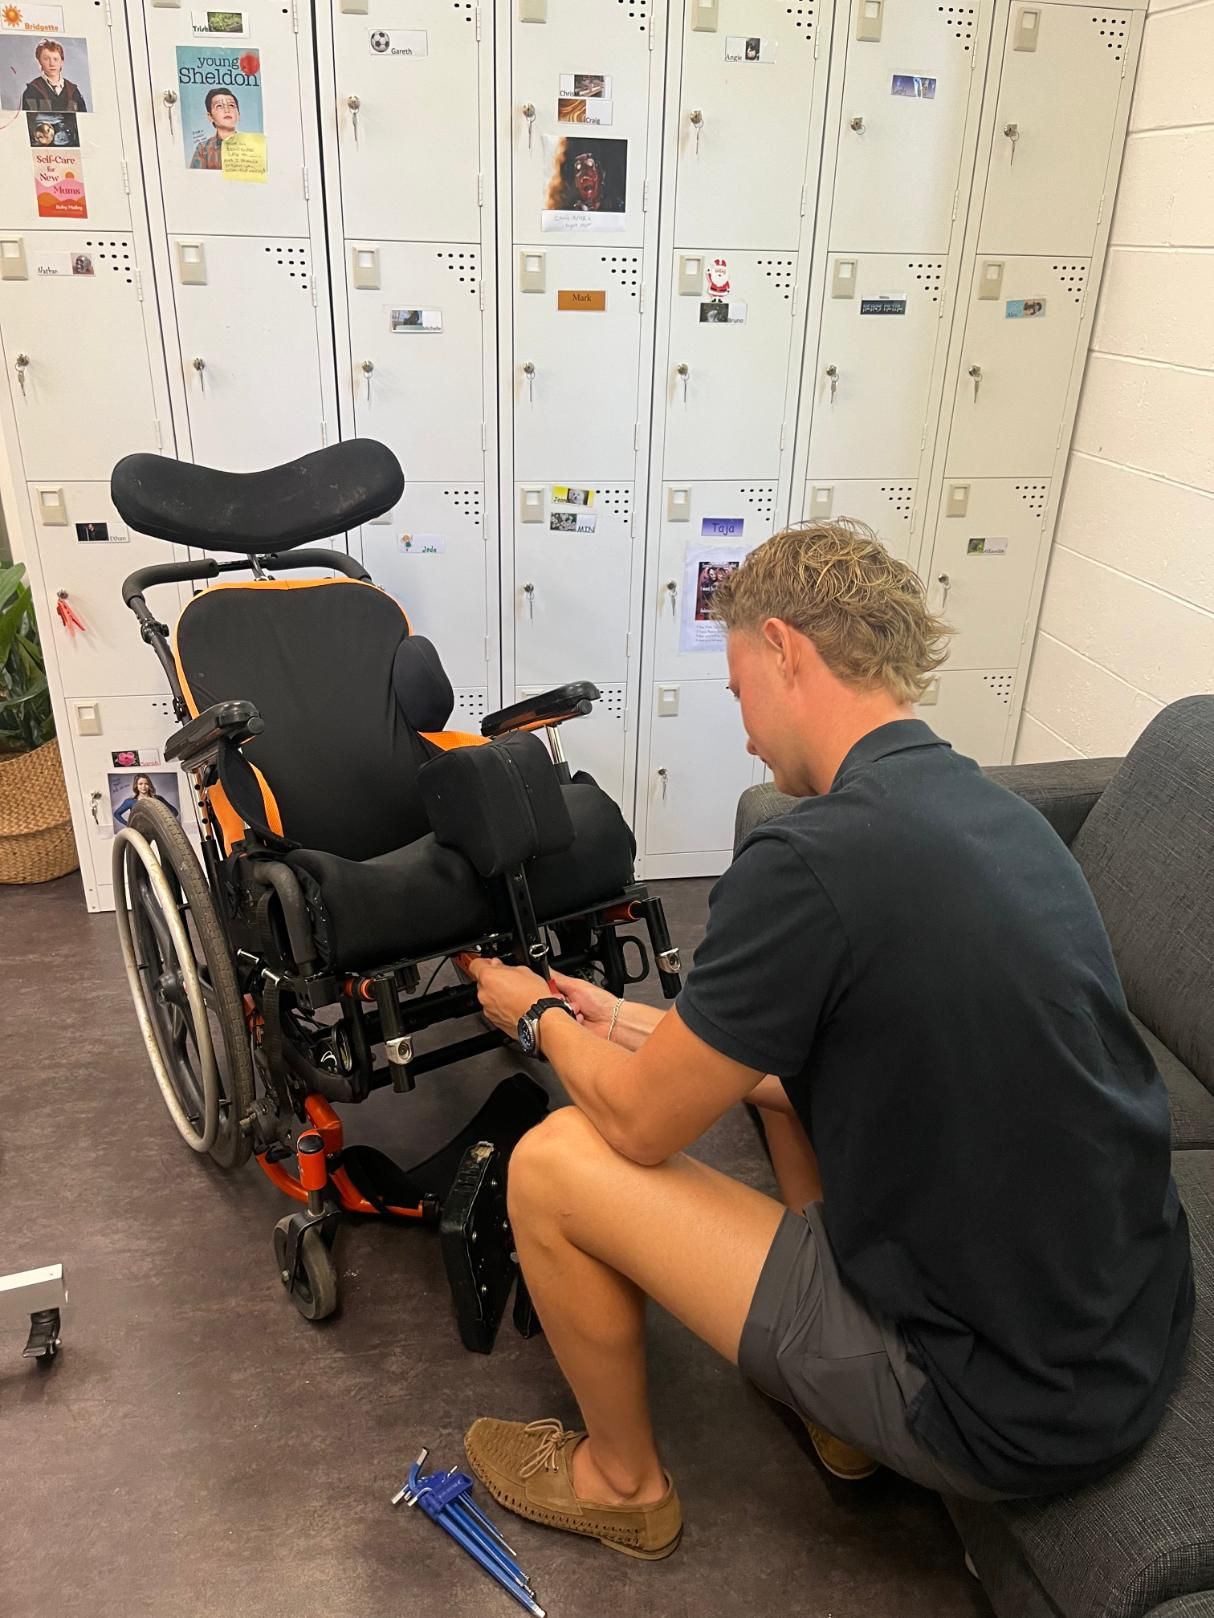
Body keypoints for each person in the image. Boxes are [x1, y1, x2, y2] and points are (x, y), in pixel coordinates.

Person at [461, 520, 1194, 1560]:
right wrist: (610, 1012)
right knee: (792, 1075)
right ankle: (839, 1429)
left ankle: (619, 1483)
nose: (746, 732)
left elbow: (635, 1119)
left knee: (555, 1163)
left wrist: (528, 1016)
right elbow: (761, 1052)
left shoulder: (807, 858)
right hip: (1121, 1326)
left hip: (999, 1405)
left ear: (783, 649)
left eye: (737, 691)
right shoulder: (985, 811)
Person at [22, 40, 87, 113]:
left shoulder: (74, 92)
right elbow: (31, 120)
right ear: (39, 61)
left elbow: (83, 120)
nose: (52, 64)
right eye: (46, 59)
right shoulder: (32, 91)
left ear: (62, 62)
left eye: (55, 59)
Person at [189, 88, 240, 169]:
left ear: (238, 114)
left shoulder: (250, 145)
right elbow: (196, 179)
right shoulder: (203, 149)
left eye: (231, 105)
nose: (227, 110)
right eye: (219, 106)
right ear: (210, 116)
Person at [113, 774, 179, 827]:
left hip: (156, 830)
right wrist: (129, 825)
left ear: (149, 785)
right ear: (136, 785)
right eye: (140, 784)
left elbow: (174, 812)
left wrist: (164, 822)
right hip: (139, 832)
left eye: (146, 784)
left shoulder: (158, 798)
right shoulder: (130, 801)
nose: (143, 787)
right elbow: (116, 814)